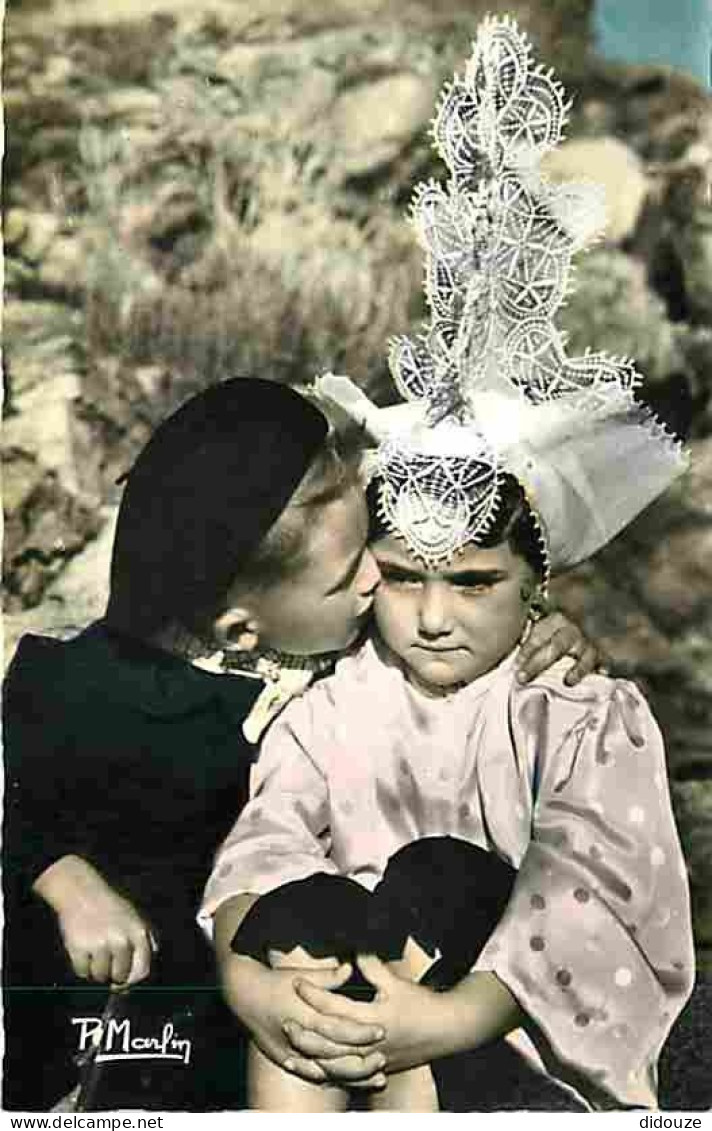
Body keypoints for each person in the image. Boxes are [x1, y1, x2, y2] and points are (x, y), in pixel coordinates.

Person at [201, 18, 695, 1113]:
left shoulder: (574, 706)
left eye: (472, 582)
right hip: (338, 997)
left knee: (434, 895)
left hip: (498, 1028)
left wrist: (455, 1014)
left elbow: (589, 877)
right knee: (303, 925)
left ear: (536, 584)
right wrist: (253, 976)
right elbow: (269, 833)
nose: (428, 616)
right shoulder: (327, 709)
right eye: (399, 575)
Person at [2, 376, 591, 1111]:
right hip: (158, 995)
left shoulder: (319, 628)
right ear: (243, 632)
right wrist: (68, 882)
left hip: (314, 946)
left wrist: (534, 629)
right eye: (352, 575)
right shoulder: (84, 693)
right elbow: (19, 804)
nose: (379, 579)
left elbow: (457, 615)